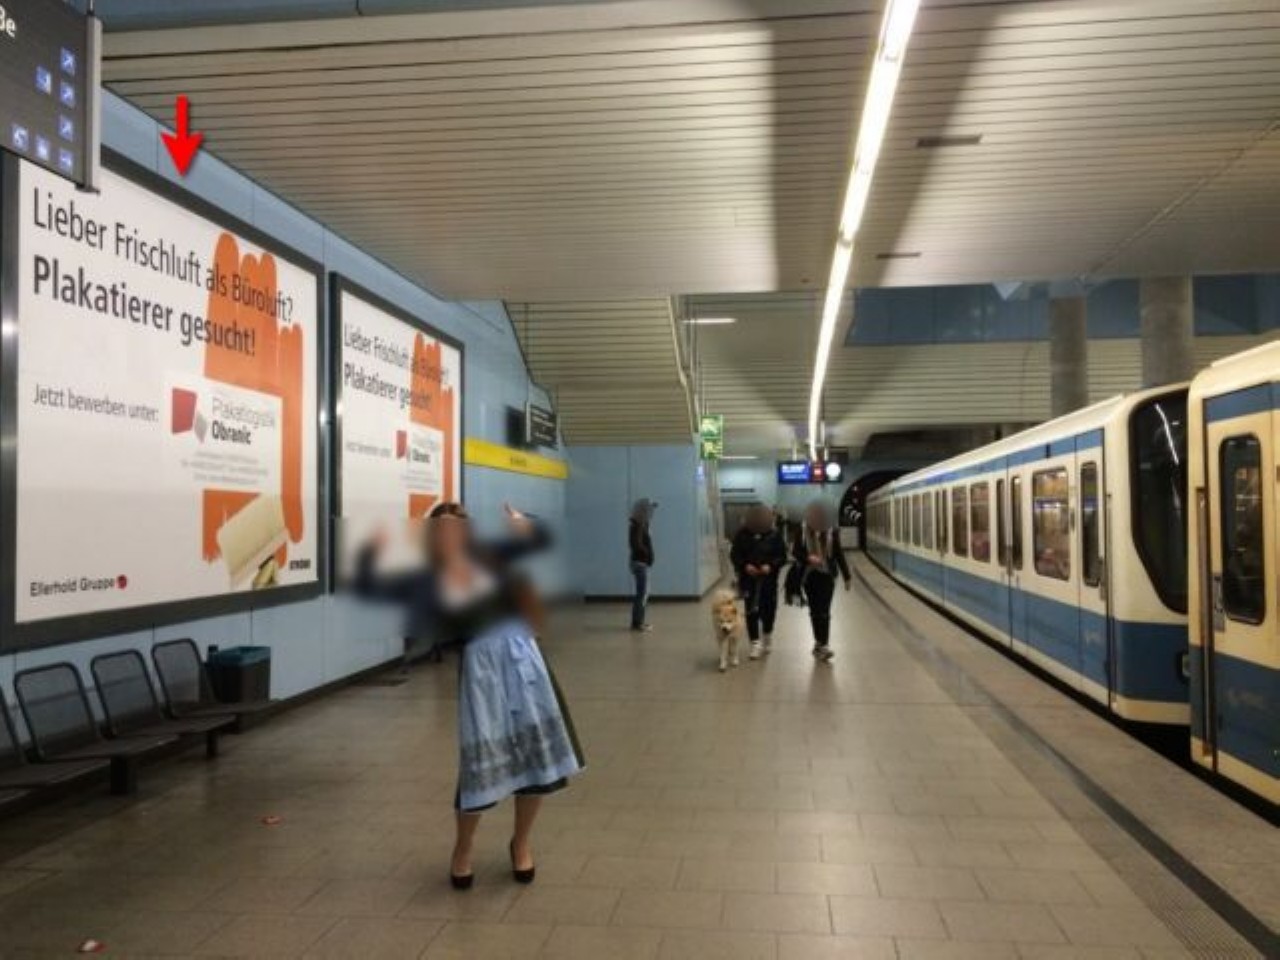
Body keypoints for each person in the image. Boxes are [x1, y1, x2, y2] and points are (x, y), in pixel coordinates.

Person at [356, 502, 583, 889]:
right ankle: (463, 848)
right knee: (480, 762)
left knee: (537, 760)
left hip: (525, 659)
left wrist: (522, 523)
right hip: (482, 667)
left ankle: (521, 843)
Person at [794, 500, 851, 662]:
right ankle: (818, 643)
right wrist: (808, 557)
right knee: (815, 610)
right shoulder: (802, 530)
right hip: (809, 576)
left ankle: (824, 645)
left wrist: (847, 576)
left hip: (827, 576)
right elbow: (796, 551)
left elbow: (838, 553)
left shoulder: (832, 531)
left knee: (824, 611)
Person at [730, 502, 788, 659]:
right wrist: (745, 566)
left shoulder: (775, 535)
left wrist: (771, 566)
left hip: (769, 581)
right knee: (751, 612)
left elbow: (782, 556)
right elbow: (735, 555)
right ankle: (754, 644)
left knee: (769, 611)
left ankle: (767, 634)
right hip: (749, 580)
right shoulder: (741, 535)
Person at [629, 498, 656, 632]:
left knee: (642, 594)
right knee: (642, 594)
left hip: (641, 563)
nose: (651, 512)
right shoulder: (638, 525)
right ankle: (638, 623)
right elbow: (636, 544)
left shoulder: (641, 524)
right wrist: (646, 554)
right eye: (649, 509)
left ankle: (638, 622)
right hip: (640, 564)